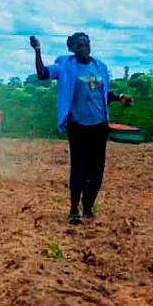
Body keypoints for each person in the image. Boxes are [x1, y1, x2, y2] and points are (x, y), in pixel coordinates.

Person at [30, 33, 133, 225]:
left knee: (96, 170)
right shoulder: (65, 65)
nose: (84, 48)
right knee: (79, 167)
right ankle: (73, 208)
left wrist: (119, 98)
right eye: (80, 46)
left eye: (87, 44)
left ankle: (88, 206)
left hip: (99, 125)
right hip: (77, 125)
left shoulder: (100, 67)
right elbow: (42, 74)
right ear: (72, 49)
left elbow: (102, 93)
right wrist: (37, 51)